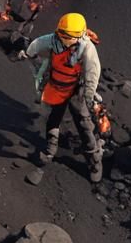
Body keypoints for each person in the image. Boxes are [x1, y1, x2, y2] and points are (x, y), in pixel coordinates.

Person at [19, 12, 103, 182]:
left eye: (66, 36)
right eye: (61, 34)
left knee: (83, 124)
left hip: (76, 90)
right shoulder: (55, 39)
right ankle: (50, 151)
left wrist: (89, 97)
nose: (62, 38)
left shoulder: (87, 49)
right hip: (58, 85)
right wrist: (28, 53)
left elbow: (92, 74)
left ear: (78, 36)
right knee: (54, 118)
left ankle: (94, 160)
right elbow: (38, 44)